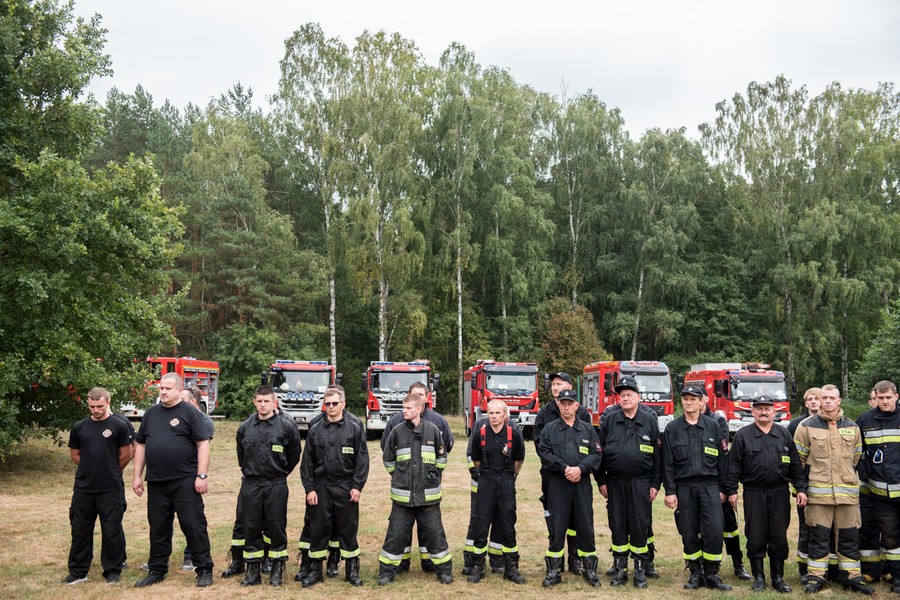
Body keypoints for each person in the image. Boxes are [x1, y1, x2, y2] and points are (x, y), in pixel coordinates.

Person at [132, 373, 214, 588]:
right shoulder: (151, 414)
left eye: (167, 388)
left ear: (179, 390)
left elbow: (203, 444)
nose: (163, 392)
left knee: (193, 525)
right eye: (161, 388)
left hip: (185, 480)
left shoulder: (190, 412)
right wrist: (137, 476)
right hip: (157, 480)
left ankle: (204, 569)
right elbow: (141, 445)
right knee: (158, 526)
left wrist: (201, 475)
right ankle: (157, 570)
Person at [794, 384, 872, 594]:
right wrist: (801, 488)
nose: (827, 401)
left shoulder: (852, 427)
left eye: (832, 398)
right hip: (818, 495)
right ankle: (816, 578)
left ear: (839, 400)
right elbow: (798, 461)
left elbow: (856, 458)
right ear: (819, 400)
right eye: (824, 397)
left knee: (849, 538)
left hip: (847, 495)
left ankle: (852, 578)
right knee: (818, 538)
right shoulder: (806, 426)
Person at [725, 395, 808, 593]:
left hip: (779, 492)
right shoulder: (743, 435)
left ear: (774, 412)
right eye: (759, 408)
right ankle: (759, 577)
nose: (763, 412)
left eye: (767, 409)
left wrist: (801, 488)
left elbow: (795, 466)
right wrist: (731, 490)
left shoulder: (784, 434)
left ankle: (778, 577)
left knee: (779, 535)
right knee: (755, 535)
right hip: (754, 493)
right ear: (753, 411)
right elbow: (733, 466)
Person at [378, 392, 452, 585]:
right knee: (396, 535)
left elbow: (441, 458)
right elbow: (388, 460)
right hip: (403, 497)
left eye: (408, 408)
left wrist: (432, 476)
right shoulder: (397, 431)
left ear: (419, 409)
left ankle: (444, 571)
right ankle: (387, 572)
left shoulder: (433, 430)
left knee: (435, 534)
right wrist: (400, 477)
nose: (404, 411)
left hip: (428, 497)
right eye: (403, 407)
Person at [594, 375, 662, 588]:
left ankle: (640, 570)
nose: (625, 398)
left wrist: (655, 484)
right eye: (622, 395)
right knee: (617, 524)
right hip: (614, 482)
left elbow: (659, 457)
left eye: (629, 394)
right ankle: (620, 568)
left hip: (641, 482)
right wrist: (601, 481)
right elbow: (599, 453)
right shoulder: (610, 420)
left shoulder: (649, 420)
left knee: (640, 524)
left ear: (638, 397)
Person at [299, 385, 369, 588]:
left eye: (335, 403)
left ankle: (352, 571)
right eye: (327, 404)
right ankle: (315, 571)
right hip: (321, 488)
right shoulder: (315, 430)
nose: (331, 407)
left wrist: (357, 486)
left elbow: (362, 461)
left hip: (345, 487)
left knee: (348, 530)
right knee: (318, 529)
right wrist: (310, 489)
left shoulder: (354, 428)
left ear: (343, 404)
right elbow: (307, 463)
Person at [663, 385, 731, 591]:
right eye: (685, 399)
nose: (689, 402)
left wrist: (723, 489)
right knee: (688, 531)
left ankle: (711, 573)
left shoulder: (713, 426)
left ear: (702, 402)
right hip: (684, 487)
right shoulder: (672, 428)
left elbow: (723, 462)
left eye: (693, 399)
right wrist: (670, 491)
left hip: (710, 486)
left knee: (715, 530)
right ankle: (695, 573)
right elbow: (667, 463)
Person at [64, 387, 134, 585]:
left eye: (100, 406)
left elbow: (126, 454)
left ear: (108, 402)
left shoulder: (119, 425)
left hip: (110, 488)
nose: (96, 410)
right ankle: (78, 572)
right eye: (92, 406)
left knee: (111, 530)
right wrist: (90, 468)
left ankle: (112, 571)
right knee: (79, 529)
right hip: (84, 487)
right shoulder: (79, 427)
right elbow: (75, 455)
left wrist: (109, 470)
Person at [235, 385, 301, 587]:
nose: (263, 405)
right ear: (254, 402)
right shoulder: (245, 427)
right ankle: (253, 571)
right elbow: (241, 457)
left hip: (275, 484)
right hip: (252, 484)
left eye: (267, 401)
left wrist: (280, 472)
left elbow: (294, 454)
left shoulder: (286, 426)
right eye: (259, 401)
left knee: (276, 526)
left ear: (274, 403)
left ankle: (276, 569)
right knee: (251, 527)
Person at [537, 388, 603, 587]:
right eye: (562, 403)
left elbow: (596, 454)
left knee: (585, 526)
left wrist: (580, 469)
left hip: (581, 484)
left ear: (577, 406)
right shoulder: (549, 429)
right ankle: (554, 570)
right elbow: (545, 454)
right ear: (558, 405)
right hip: (558, 484)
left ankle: (589, 569)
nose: (566, 407)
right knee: (557, 526)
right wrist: (565, 468)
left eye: (570, 403)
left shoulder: (588, 429)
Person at [533, 372, 592, 576]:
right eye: (553, 384)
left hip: (579, 476)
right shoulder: (544, 413)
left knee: (577, 518)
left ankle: (575, 558)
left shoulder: (582, 413)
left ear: (569, 387)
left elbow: (590, 443)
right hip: (553, 476)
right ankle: (556, 562)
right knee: (555, 516)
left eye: (559, 383)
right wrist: (563, 468)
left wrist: (578, 469)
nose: (555, 387)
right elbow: (540, 446)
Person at [463, 400, 526, 584]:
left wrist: (507, 476)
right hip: (486, 481)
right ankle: (478, 567)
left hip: (506, 482)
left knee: (508, 524)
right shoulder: (479, 434)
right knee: (481, 524)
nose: (494, 416)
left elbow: (518, 460)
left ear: (505, 415)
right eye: (491, 413)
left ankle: (511, 568)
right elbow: (476, 461)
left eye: (498, 413)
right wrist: (489, 474)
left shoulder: (514, 434)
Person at [700, 391, 751, 581]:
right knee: (701, 527)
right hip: (698, 484)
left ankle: (738, 563)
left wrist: (725, 489)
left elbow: (724, 457)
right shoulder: (685, 423)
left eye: (699, 398)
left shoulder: (717, 420)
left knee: (729, 527)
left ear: (705, 400)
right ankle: (703, 566)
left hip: (717, 481)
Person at [856, 380, 900, 592]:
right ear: (875, 397)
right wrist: (865, 473)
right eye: (880, 398)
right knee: (890, 536)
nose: (884, 401)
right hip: (880, 493)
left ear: (896, 397)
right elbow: (857, 452)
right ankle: (897, 577)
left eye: (888, 397)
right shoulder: (865, 420)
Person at [178, 386, 215, 572]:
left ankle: (191, 554)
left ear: (193, 401)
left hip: (191, 474)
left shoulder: (204, 421)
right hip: (172, 475)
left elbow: (199, 446)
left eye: (183, 400)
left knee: (192, 518)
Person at [788, 386, 821, 581]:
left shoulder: (832, 423)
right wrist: (798, 486)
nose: (814, 402)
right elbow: (792, 457)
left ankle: (825, 567)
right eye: (810, 399)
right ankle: (804, 568)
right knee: (805, 527)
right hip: (804, 485)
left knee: (825, 529)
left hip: (826, 485)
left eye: (817, 398)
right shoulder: (796, 425)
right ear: (806, 402)